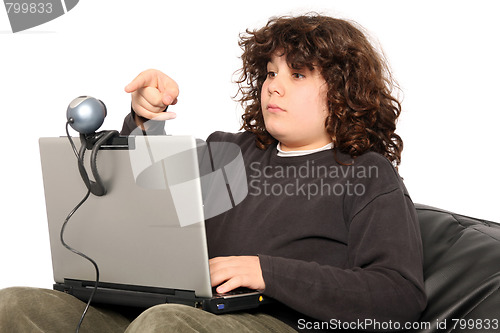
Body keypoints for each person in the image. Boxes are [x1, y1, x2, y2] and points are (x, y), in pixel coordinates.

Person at [0, 14, 426, 332]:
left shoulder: (368, 175)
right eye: (272, 73)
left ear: (345, 90)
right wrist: (146, 122)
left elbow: (399, 295)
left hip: (276, 321)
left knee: (167, 324)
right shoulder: (231, 151)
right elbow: (145, 197)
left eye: (297, 75)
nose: (274, 86)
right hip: (180, 311)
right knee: (15, 306)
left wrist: (266, 273)